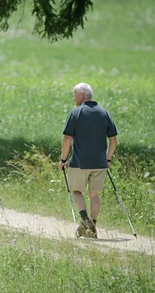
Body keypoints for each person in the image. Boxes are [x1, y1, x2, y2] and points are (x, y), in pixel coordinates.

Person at [59, 83, 117, 238]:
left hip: (79, 162)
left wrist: (63, 159)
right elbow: (113, 141)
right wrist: (108, 158)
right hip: (100, 164)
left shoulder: (76, 113)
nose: (73, 98)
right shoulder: (104, 113)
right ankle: (94, 225)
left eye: (75, 94)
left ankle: (85, 220)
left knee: (76, 191)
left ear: (82, 95)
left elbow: (67, 139)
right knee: (94, 194)